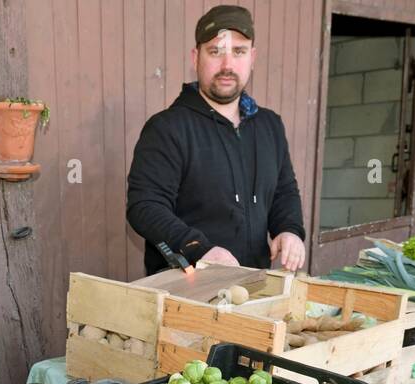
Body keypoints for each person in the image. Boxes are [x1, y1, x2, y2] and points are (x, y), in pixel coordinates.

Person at [126, 4, 307, 276]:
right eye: (215, 51)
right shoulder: (167, 128)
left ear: (252, 57)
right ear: (195, 57)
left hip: (253, 287)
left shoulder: (270, 125)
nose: (227, 65)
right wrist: (198, 248)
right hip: (186, 294)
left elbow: (284, 192)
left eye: (239, 51)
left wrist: (289, 230)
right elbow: (145, 206)